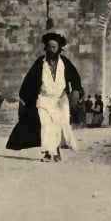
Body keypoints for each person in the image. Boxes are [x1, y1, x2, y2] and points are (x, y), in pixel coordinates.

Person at [6, 32, 83, 162]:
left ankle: (57, 150)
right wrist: (24, 98)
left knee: (59, 126)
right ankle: (47, 153)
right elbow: (29, 80)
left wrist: (76, 91)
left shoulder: (64, 62)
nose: (51, 50)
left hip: (60, 100)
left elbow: (75, 77)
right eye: (49, 47)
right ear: (45, 48)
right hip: (44, 99)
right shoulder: (40, 63)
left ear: (59, 48)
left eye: (54, 47)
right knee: (46, 125)